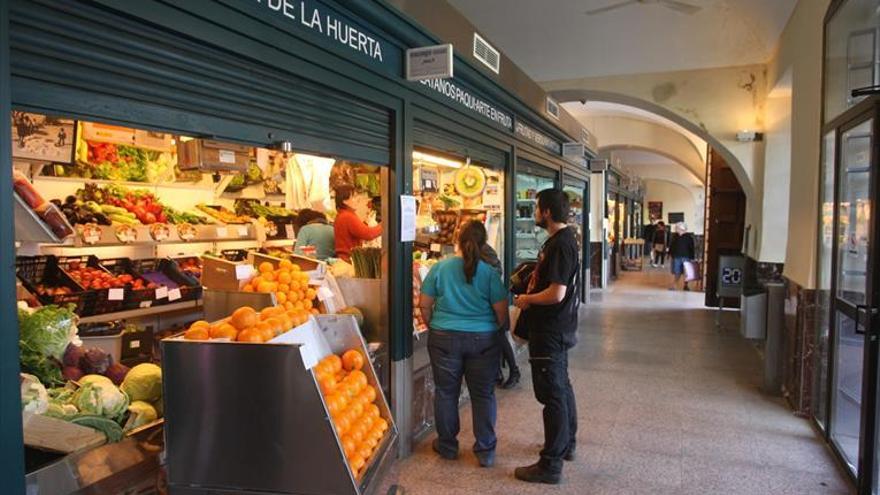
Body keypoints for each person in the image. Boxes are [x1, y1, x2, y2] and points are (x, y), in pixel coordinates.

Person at [419, 221, 509, 468]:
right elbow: (501, 312)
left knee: (446, 392)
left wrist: (435, 324)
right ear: (484, 244)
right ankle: (485, 451)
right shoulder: (489, 273)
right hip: (483, 340)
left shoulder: (440, 268)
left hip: (443, 337)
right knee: (483, 394)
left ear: (458, 240)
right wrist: (488, 328)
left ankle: (447, 446)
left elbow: (424, 304)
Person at [513, 189, 580, 485]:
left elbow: (556, 293)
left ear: (548, 212)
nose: (536, 212)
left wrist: (527, 300)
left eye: (538, 208)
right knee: (561, 388)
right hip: (557, 329)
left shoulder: (561, 244)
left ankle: (550, 464)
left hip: (550, 331)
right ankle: (567, 445)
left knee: (552, 393)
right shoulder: (561, 241)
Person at [480, 242, 521, 389]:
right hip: (487, 300)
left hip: (494, 300)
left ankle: (514, 370)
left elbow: (497, 270)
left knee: (499, 336)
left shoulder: (483, 250)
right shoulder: (479, 250)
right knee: (494, 337)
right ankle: (497, 373)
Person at [333, 185, 382, 262]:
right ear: (344, 201)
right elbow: (369, 234)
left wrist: (366, 223)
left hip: (345, 258)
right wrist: (384, 225)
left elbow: (357, 232)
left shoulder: (343, 215)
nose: (357, 199)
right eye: (354, 197)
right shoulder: (347, 216)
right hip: (348, 259)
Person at [669, 222, 696, 291]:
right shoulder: (675, 236)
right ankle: (675, 285)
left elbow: (691, 248)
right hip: (676, 256)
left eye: (677, 228)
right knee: (677, 271)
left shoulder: (689, 237)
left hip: (686, 257)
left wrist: (692, 258)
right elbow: (672, 246)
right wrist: (670, 254)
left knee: (686, 272)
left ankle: (686, 285)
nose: (675, 229)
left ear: (681, 229)